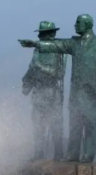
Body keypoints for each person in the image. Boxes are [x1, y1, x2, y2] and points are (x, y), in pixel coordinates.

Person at [19, 14, 96, 163]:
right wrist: (35, 44)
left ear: (87, 25)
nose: (75, 25)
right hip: (75, 91)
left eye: (78, 23)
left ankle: (87, 154)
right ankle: (72, 153)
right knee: (75, 123)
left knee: (90, 124)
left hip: (91, 91)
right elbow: (55, 46)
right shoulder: (74, 43)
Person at [22, 21, 67, 161]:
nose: (41, 36)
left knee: (55, 124)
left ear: (52, 34)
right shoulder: (37, 51)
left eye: (44, 33)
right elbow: (31, 68)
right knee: (37, 124)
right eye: (41, 34)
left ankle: (58, 154)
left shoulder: (60, 51)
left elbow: (59, 74)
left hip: (52, 92)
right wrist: (26, 83)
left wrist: (40, 67)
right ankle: (38, 153)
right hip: (38, 92)